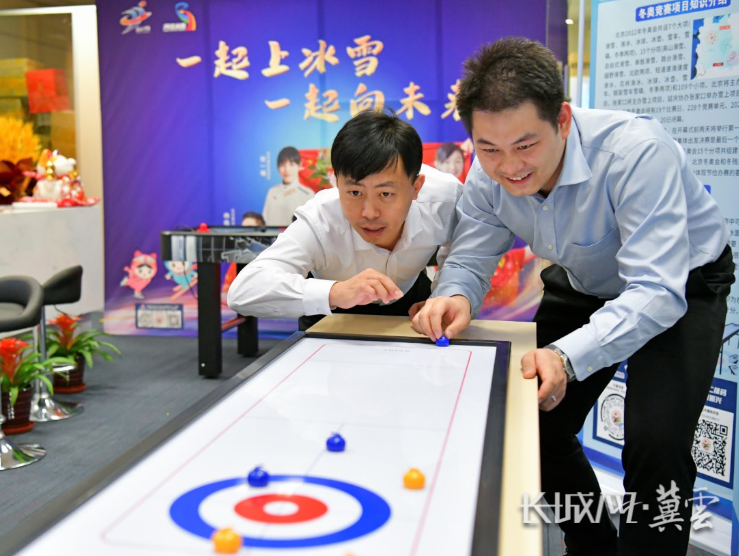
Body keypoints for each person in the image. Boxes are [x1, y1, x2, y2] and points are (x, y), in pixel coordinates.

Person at [411, 37, 734, 556]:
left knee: (656, 444)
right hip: (585, 279)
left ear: (561, 119)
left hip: (679, 283)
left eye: (525, 146)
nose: (509, 167)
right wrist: (455, 296)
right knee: (530, 423)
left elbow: (655, 290)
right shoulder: (487, 174)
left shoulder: (636, 153)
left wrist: (565, 356)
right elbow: (470, 257)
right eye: (489, 149)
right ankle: (592, 546)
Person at [228, 109, 461, 330]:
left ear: (416, 187)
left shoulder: (445, 198)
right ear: (337, 183)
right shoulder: (321, 219)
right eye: (355, 192)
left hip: (410, 300)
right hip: (332, 310)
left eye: (385, 194)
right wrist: (335, 292)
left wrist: (443, 293)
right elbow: (244, 291)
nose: (369, 213)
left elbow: (464, 252)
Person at [262, 147, 315, 226]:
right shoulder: (272, 191)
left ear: (299, 165)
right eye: (282, 165)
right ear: (278, 167)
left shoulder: (308, 194)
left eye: (291, 165)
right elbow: (265, 220)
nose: (287, 170)